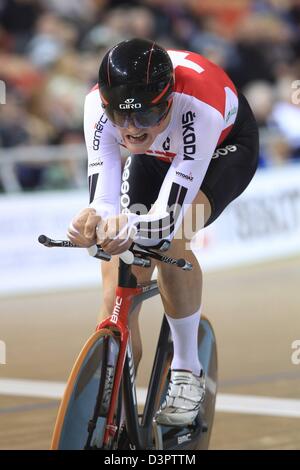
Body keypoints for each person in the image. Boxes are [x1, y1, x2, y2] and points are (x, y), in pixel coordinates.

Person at [67, 38, 259, 427]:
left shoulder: (198, 108)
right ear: (107, 106)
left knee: (169, 241)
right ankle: (117, 372)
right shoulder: (96, 108)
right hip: (155, 158)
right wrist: (90, 221)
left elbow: (166, 218)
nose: (132, 130)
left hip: (222, 150)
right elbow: (103, 200)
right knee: (119, 269)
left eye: (146, 116)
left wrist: (132, 225)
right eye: (122, 118)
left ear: (169, 100)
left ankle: (188, 371)